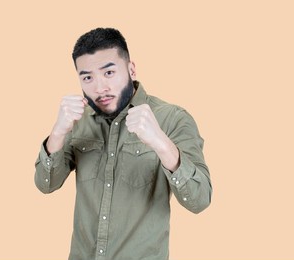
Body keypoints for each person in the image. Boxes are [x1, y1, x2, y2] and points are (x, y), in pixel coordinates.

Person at [34, 27, 212, 260]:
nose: (99, 88)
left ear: (131, 69)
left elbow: (199, 199)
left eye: (109, 73)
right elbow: (46, 184)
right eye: (87, 77)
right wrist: (57, 132)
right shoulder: (76, 121)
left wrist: (160, 143)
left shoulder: (173, 118)